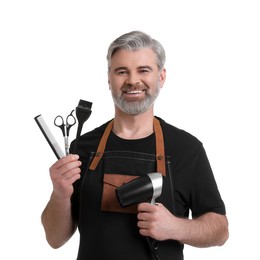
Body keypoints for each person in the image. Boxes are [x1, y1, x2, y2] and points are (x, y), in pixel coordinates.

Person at [41, 30, 229, 260]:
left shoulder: (186, 149)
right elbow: (54, 238)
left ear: (161, 77)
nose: (132, 80)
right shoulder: (82, 148)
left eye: (143, 70)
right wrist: (60, 194)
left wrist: (174, 227)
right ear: (109, 78)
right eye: (122, 71)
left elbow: (220, 230)